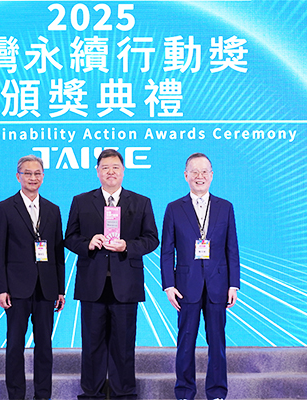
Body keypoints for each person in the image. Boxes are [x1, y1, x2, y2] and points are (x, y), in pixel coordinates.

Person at [65, 149, 159, 399]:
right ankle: (91, 394)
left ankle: (124, 393)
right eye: (105, 167)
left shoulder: (141, 202)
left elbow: (151, 239)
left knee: (124, 344)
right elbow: (69, 238)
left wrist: (127, 245)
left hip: (126, 283)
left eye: (115, 167)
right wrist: (88, 243)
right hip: (92, 283)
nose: (110, 172)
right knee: (92, 344)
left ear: (123, 171)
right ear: (97, 171)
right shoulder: (81, 201)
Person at [160, 153, 240, 400]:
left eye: (204, 171)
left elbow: (232, 248)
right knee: (185, 342)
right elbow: (167, 250)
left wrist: (234, 284)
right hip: (185, 285)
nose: (199, 176)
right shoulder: (174, 208)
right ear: (186, 175)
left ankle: (217, 393)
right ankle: (185, 392)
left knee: (217, 342)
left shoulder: (225, 207)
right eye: (194, 172)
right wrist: (168, 285)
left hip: (218, 284)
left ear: (212, 175)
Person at [0, 155, 66, 400]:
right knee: (15, 345)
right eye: (28, 173)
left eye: (37, 173)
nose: (33, 178)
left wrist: (60, 289)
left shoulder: (53, 209)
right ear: (18, 176)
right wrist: (1, 288)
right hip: (16, 289)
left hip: (46, 288)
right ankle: (16, 396)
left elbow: (58, 253)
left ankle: (43, 395)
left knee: (45, 346)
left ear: (43, 177)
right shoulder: (4, 208)